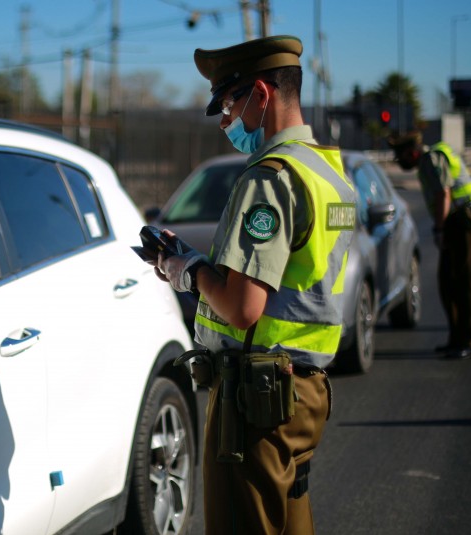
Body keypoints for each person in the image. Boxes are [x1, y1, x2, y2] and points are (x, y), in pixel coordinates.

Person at [155, 35, 356, 534]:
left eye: (228, 103)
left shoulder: (268, 179)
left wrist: (187, 271)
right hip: (304, 393)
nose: (225, 120)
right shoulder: (328, 174)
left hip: (256, 401)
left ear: (261, 96)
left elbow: (244, 307)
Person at [388, 132, 471, 360]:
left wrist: (439, 230)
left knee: (465, 281)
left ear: (412, 152)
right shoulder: (427, 161)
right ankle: (456, 338)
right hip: (456, 220)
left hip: (466, 220)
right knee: (447, 281)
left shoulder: (432, 160)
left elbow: (444, 193)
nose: (399, 160)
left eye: (400, 155)